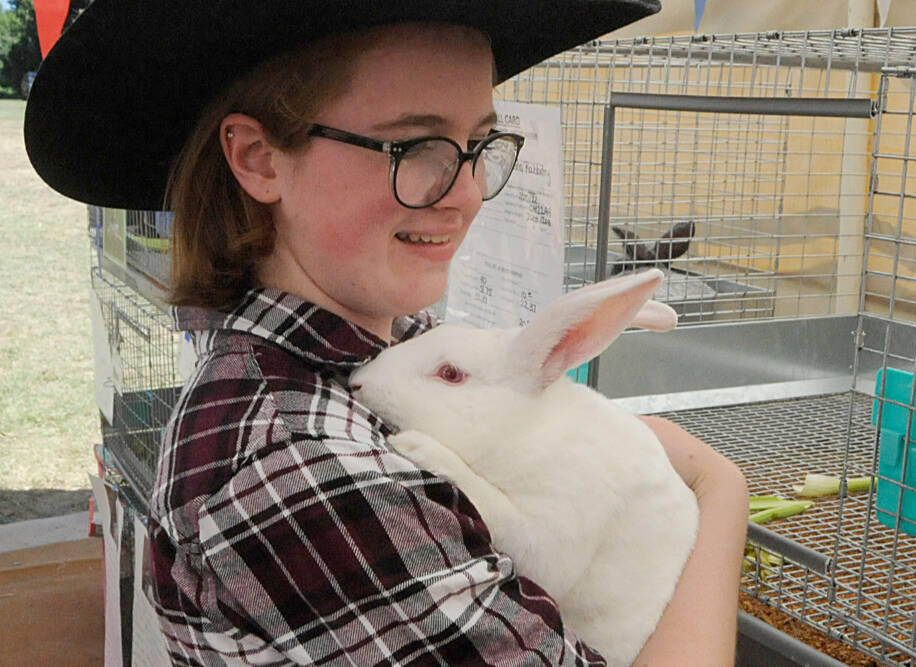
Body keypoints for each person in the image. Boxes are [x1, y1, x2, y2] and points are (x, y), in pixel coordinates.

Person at [25, 2, 749, 664]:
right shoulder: (299, 468)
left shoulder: (382, 344)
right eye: (413, 147)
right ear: (259, 159)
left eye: (478, 143)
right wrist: (721, 490)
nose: (465, 194)